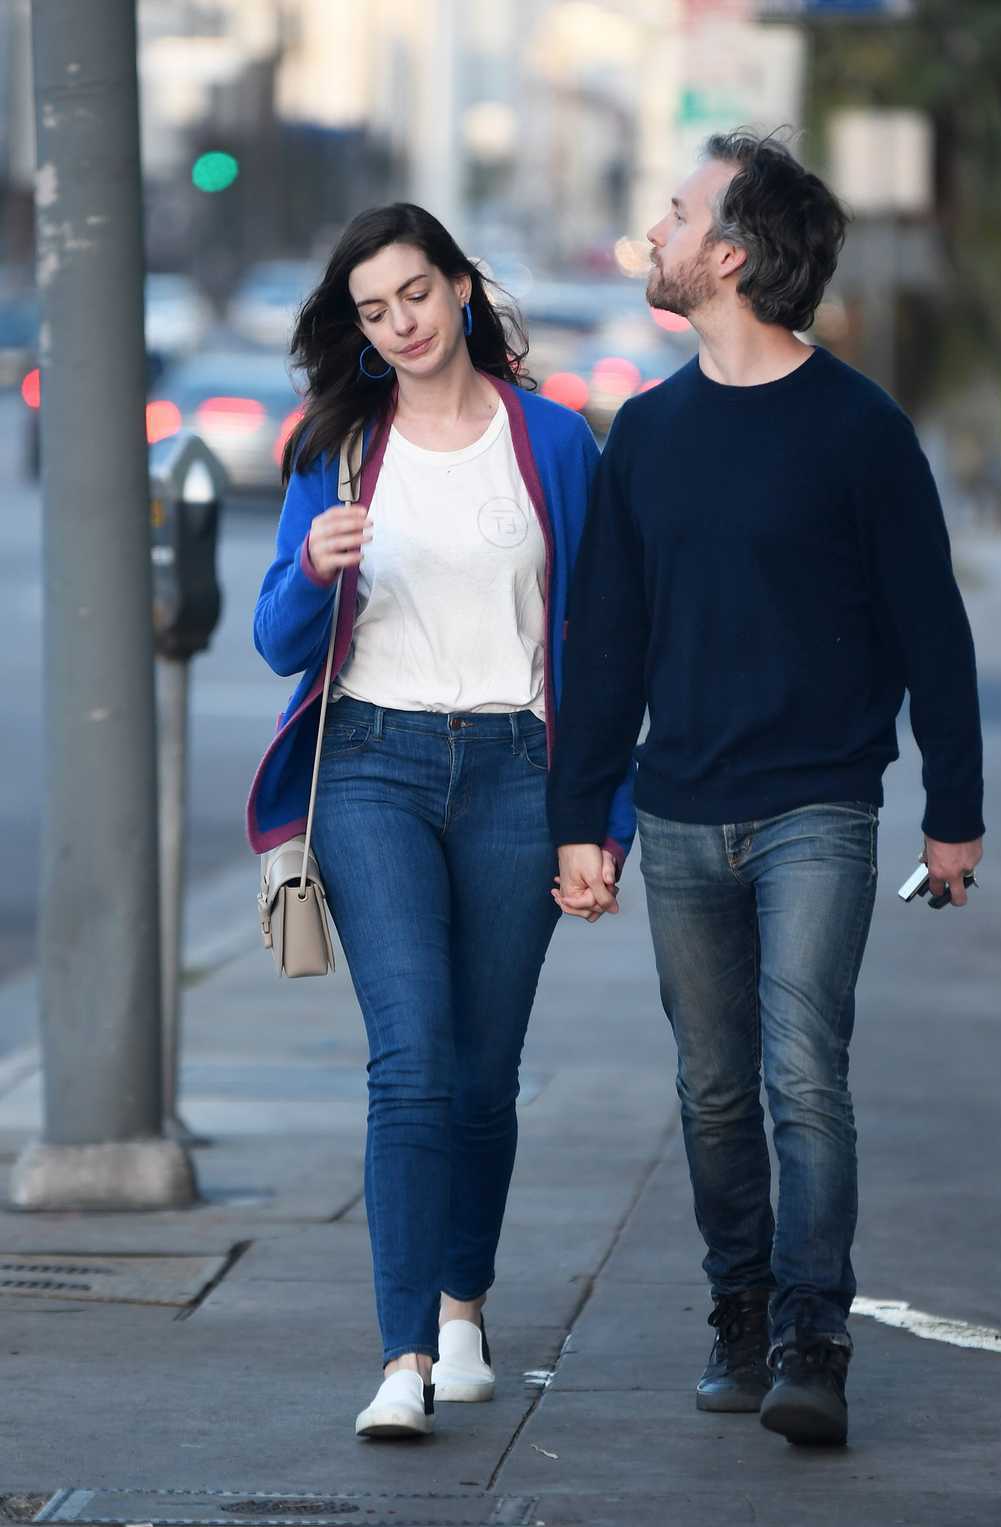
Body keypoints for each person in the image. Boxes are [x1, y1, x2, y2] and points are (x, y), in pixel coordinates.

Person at [547, 131, 985, 1447]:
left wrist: (951, 812)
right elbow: (605, 636)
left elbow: (932, 629)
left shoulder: (858, 431)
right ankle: (737, 1311)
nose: (655, 232)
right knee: (714, 1087)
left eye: (675, 214)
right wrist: (585, 817)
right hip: (678, 807)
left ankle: (811, 1335)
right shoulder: (650, 433)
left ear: (727, 255)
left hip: (817, 807)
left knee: (803, 1073)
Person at [246, 203, 635, 1441]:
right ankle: (403, 1357)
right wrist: (311, 566)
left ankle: (464, 1310)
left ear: (461, 289)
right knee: (410, 1062)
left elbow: (603, 647)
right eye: (372, 310)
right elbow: (273, 644)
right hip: (372, 765)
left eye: (415, 294)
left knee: (480, 1077)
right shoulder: (338, 447)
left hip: (521, 773)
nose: (400, 323)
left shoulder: (556, 443)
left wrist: (600, 821)